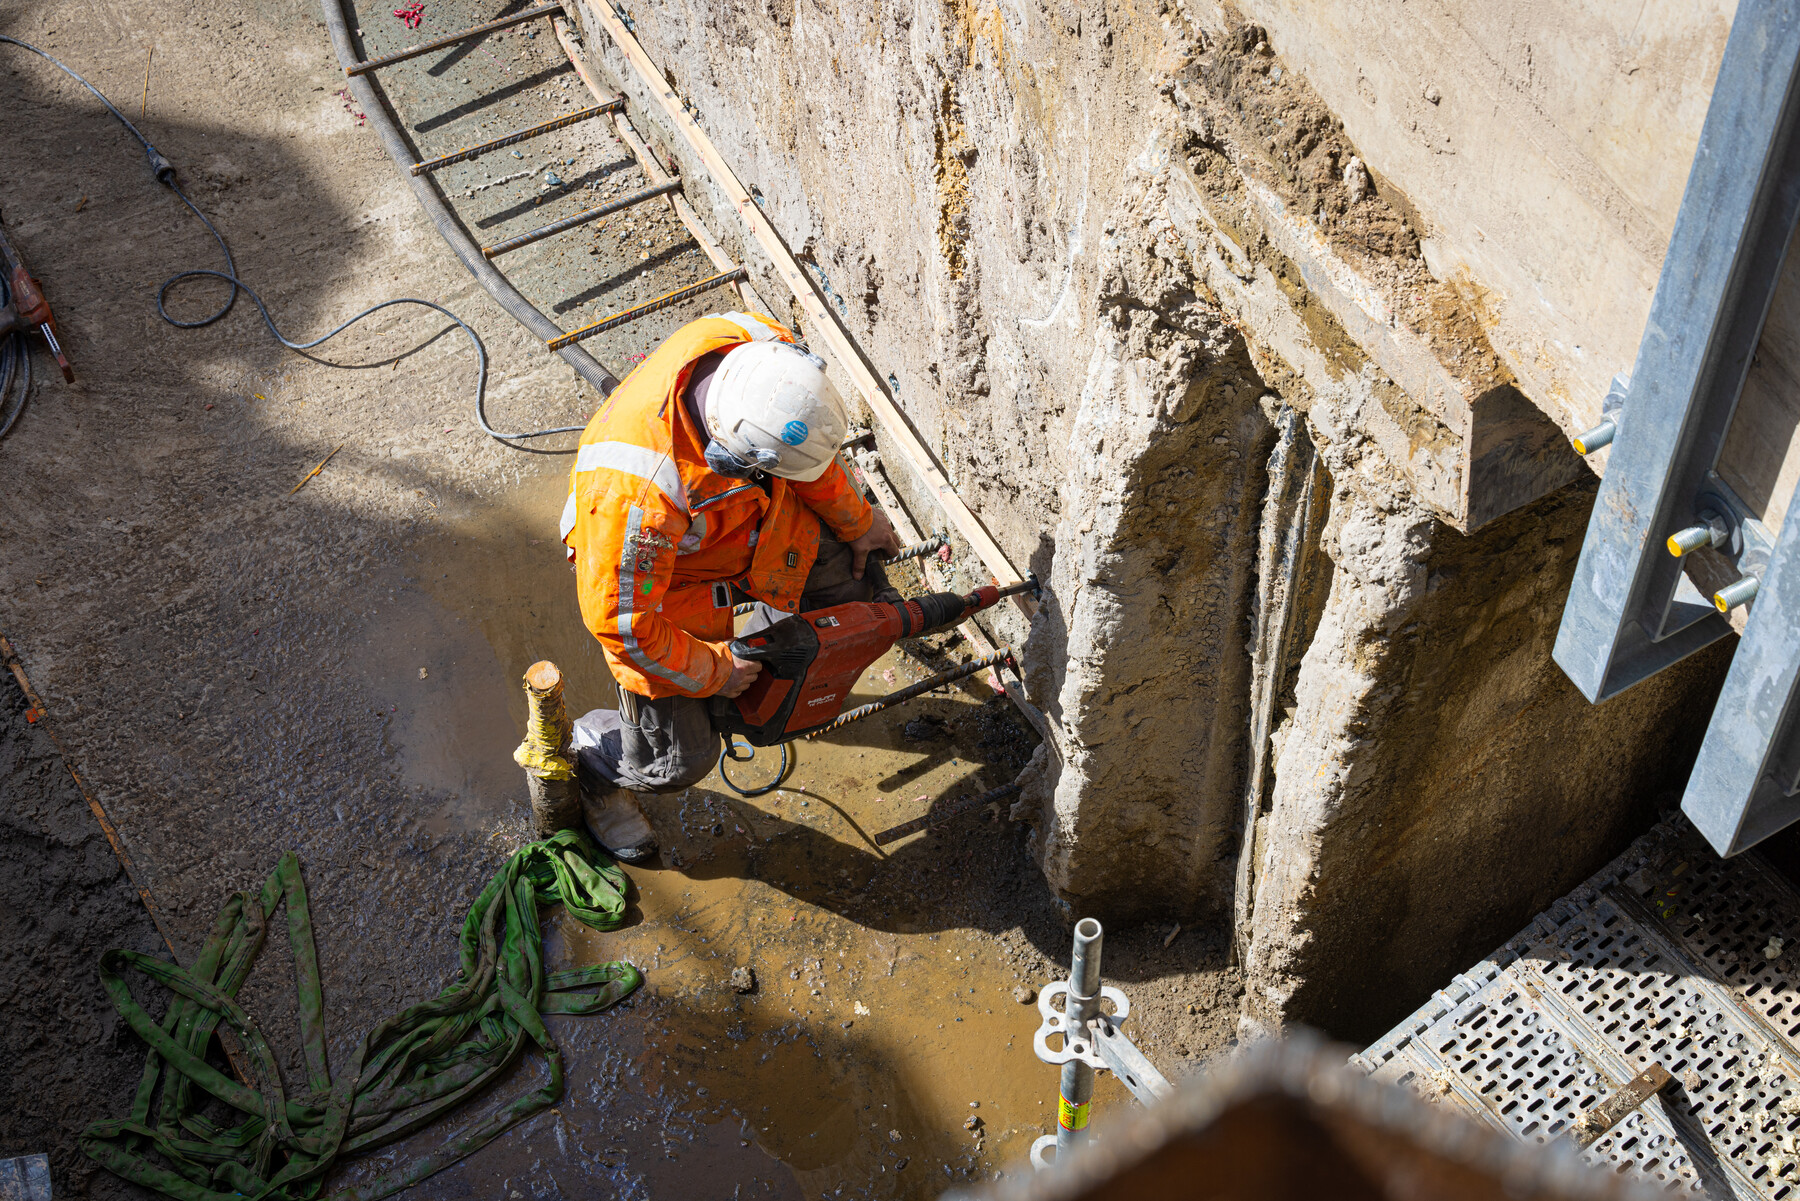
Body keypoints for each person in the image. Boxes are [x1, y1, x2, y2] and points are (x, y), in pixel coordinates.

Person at [558, 311, 901, 861]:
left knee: (857, 593)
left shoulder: (769, 360)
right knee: (679, 763)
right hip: (671, 592)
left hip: (761, 531)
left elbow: (806, 457)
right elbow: (626, 626)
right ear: (727, 454)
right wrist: (716, 672)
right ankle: (598, 765)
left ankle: (764, 678)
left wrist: (858, 521)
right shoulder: (634, 493)